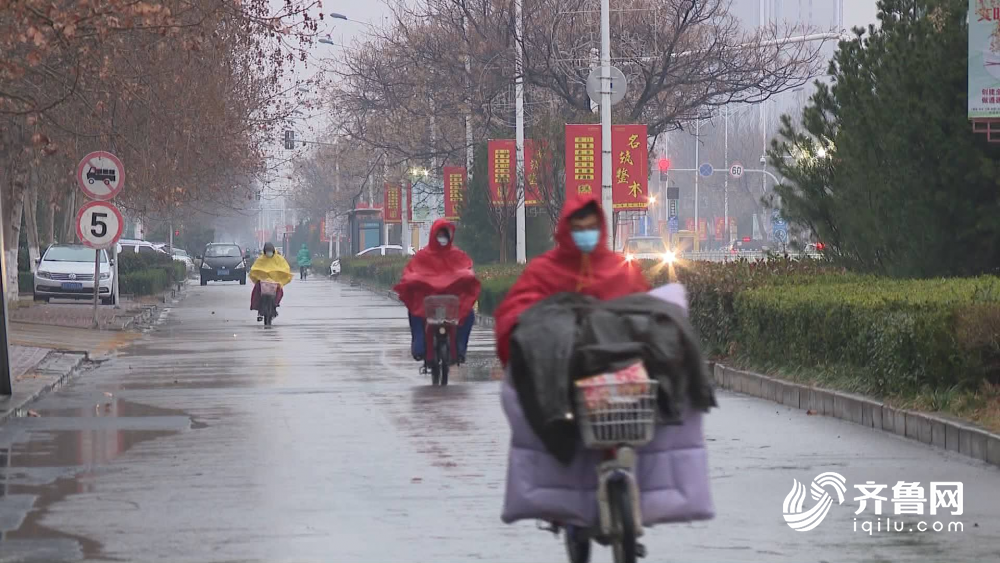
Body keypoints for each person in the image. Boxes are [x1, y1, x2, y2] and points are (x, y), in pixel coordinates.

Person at [494, 194, 649, 365]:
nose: (586, 233)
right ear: (567, 230)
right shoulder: (543, 270)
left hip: (616, 369)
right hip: (558, 368)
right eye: (578, 229)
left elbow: (645, 313)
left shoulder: (622, 271)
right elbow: (514, 312)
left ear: (600, 228)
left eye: (591, 227)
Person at [394, 218, 481, 363]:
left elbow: (466, 269)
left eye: (444, 235)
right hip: (427, 304)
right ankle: (419, 344)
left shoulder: (457, 255)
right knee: (414, 312)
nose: (442, 239)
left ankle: (460, 349)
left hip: (452, 303)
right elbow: (412, 271)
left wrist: (467, 277)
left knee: (469, 316)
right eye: (439, 235)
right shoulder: (423, 256)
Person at [249, 242, 293, 316]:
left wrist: (280, 279)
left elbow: (285, 267)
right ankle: (258, 307)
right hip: (263, 282)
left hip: (275, 282)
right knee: (256, 291)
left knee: (280, 291)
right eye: (267, 251)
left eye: (270, 251)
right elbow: (255, 268)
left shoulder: (279, 259)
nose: (269, 253)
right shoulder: (261, 259)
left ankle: (275, 303)